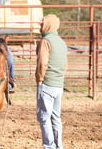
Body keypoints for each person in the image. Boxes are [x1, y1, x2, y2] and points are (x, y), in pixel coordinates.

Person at [35, 14, 68, 149]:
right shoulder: (61, 42)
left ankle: (49, 146)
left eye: (42, 23)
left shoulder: (45, 41)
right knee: (56, 117)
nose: (40, 26)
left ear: (48, 25)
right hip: (58, 85)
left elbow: (42, 63)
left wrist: (39, 80)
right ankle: (59, 146)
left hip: (47, 84)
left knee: (44, 117)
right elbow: (66, 65)